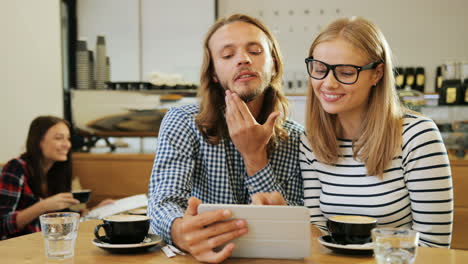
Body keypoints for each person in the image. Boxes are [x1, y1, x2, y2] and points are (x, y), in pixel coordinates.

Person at [148, 14, 304, 262]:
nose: (243, 59)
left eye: (255, 50)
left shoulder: (296, 137)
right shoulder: (183, 121)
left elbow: (290, 226)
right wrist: (179, 230)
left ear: (274, 64)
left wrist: (255, 157)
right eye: (227, 55)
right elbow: (163, 203)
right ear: (213, 74)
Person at [300, 17, 453, 248]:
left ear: (377, 73)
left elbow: (434, 247)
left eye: (346, 72)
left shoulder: (417, 136)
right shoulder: (310, 141)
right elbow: (321, 236)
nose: (328, 83)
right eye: (319, 69)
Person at [0, 116, 111, 240]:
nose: (67, 145)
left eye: (68, 139)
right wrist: (43, 206)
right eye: (59, 138)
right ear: (38, 141)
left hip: (47, 243)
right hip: (18, 249)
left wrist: (93, 211)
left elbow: (61, 217)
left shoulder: (56, 171)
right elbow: (3, 224)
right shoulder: (16, 167)